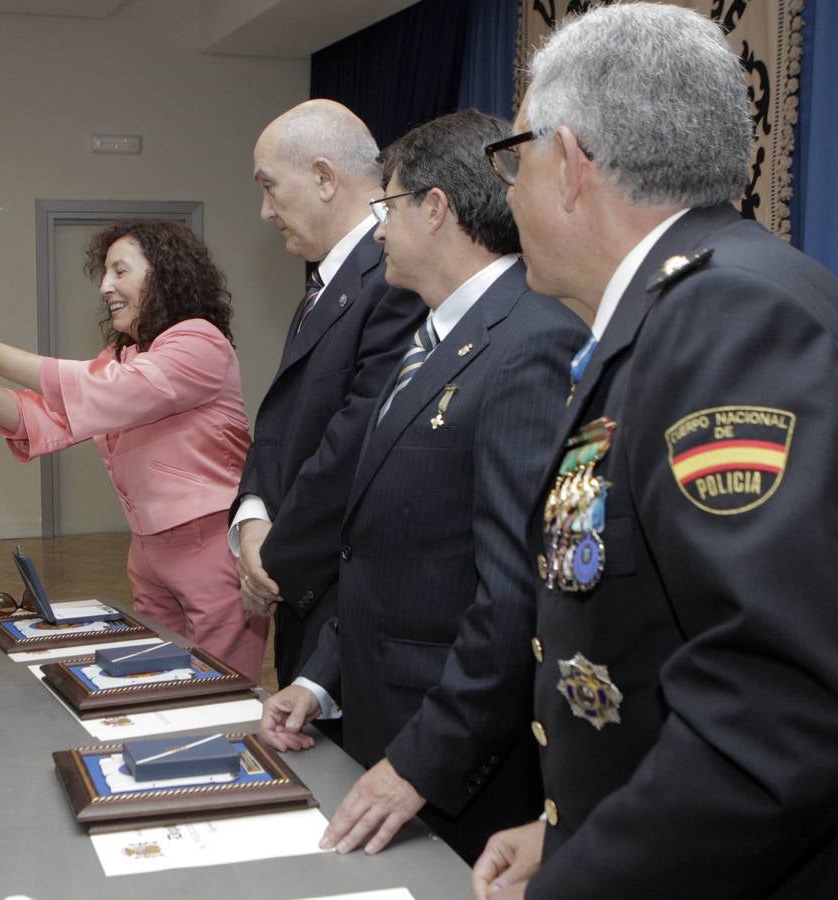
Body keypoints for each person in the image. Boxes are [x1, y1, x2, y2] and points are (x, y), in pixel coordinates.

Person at [471, 5, 838, 898]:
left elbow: (774, 712)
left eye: (515, 158)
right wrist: (572, 830)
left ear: (573, 163)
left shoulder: (730, 320)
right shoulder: (692, 304)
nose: (506, 190)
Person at [259, 110, 588, 864]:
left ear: (435, 208)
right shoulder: (434, 336)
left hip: (458, 760)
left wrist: (422, 761)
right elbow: (379, 547)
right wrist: (317, 678)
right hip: (385, 725)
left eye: (388, 206)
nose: (377, 231)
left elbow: (512, 597)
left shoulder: (531, 344)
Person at [0, 219, 267, 679]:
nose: (105, 287)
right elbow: (50, 420)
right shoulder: (123, 354)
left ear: (163, 274)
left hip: (208, 545)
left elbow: (108, 393)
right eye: (104, 273)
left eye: (120, 271)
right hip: (147, 550)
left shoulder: (200, 341)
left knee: (220, 684)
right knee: (156, 679)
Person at [234, 99, 425, 694]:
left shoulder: (395, 277)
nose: (265, 212)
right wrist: (251, 519)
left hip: (343, 595)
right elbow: (280, 423)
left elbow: (356, 439)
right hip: (305, 582)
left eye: (270, 188)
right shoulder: (331, 279)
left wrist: (274, 558)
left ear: (323, 177)